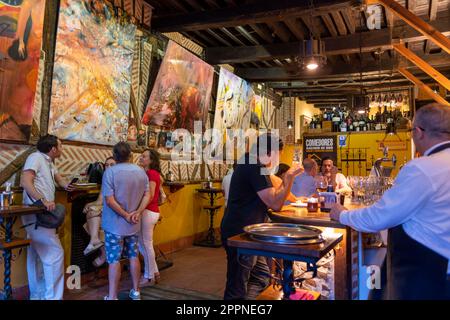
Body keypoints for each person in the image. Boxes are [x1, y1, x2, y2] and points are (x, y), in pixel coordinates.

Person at [330, 103, 450, 300]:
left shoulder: (423, 168)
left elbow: (380, 217)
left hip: (426, 271)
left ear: (419, 132)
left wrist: (341, 214)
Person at [220, 133, 303, 300]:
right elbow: (275, 203)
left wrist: (285, 182)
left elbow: (274, 194)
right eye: (279, 153)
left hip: (249, 232)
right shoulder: (254, 166)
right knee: (237, 284)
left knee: (261, 276)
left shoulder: (253, 163)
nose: (277, 159)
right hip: (239, 233)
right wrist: (289, 178)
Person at [20, 134, 75, 300]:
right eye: (61, 146)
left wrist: (69, 185)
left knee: (36, 254)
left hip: (40, 212)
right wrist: (42, 200)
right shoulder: (35, 157)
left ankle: (37, 295)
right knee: (55, 254)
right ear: (53, 149)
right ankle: (52, 297)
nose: (62, 149)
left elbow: (59, 180)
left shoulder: (49, 162)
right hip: (37, 212)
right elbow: (26, 181)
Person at [102, 142, 150, 300]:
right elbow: (146, 195)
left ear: (114, 156)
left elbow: (109, 200)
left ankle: (112, 296)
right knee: (133, 255)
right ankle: (136, 292)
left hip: (114, 225)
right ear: (131, 155)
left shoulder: (110, 172)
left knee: (114, 260)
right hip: (133, 224)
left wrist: (125, 214)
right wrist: (137, 212)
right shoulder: (141, 172)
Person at [82, 157, 116, 265]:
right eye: (107, 165)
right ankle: (95, 242)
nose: (109, 167)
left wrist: (102, 210)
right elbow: (100, 200)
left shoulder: (122, 179)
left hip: (118, 211)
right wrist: (90, 204)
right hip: (107, 209)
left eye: (112, 165)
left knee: (93, 216)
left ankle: (102, 251)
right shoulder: (106, 179)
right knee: (90, 211)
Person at [138, 148, 162, 286]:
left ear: (151, 160)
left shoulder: (152, 173)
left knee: (145, 244)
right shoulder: (147, 173)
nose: (141, 158)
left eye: (144, 156)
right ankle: (155, 272)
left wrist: (139, 210)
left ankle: (148, 277)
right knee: (145, 244)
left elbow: (151, 194)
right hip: (149, 211)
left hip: (148, 211)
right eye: (141, 156)